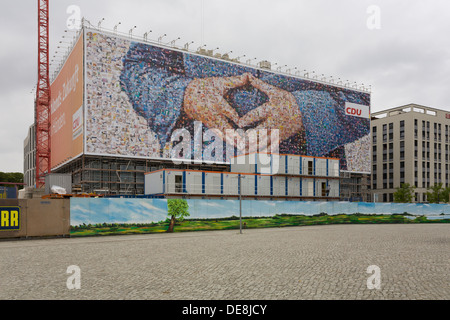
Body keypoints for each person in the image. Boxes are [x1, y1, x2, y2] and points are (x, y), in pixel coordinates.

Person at [120, 42, 370, 170]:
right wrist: (186, 93)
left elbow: (363, 106)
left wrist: (304, 110)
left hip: (306, 172)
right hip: (203, 162)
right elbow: (137, 66)